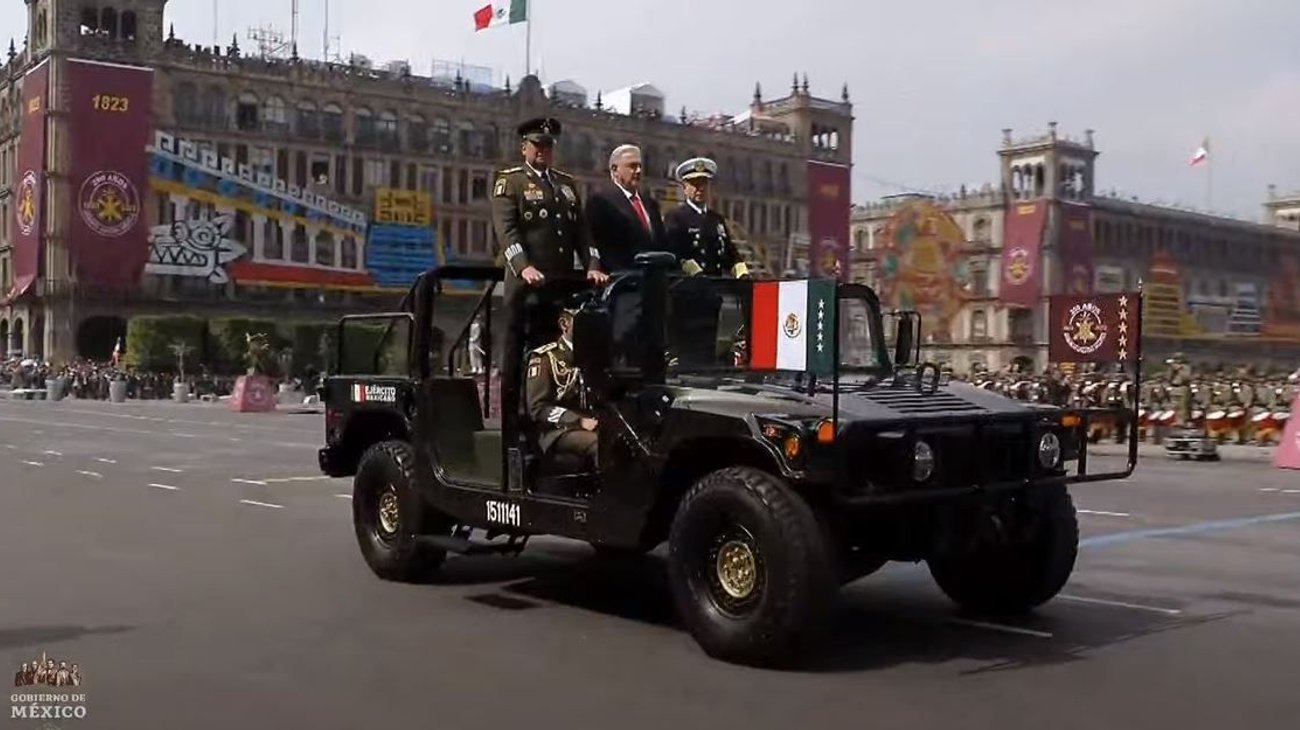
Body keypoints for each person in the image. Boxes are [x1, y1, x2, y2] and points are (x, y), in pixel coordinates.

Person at [490, 116, 608, 437]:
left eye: (548, 145)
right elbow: (508, 232)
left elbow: (583, 234)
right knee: (521, 355)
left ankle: (556, 417)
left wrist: (593, 266)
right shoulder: (510, 182)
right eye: (537, 145)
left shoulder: (566, 184)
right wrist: (523, 266)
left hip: (560, 287)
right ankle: (516, 424)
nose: (543, 150)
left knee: (559, 355)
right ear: (524, 147)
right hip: (526, 289)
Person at [525, 301, 598, 472]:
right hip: (557, 431)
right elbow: (538, 408)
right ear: (565, 324)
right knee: (600, 444)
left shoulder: (595, 355)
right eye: (584, 322)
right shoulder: (545, 358)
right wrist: (577, 420)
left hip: (594, 422)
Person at [663, 157, 749, 279]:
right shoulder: (675, 217)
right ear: (685, 188)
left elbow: (730, 252)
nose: (700, 188)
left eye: (704, 183)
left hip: (716, 285)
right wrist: (693, 271)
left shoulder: (717, 219)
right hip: (688, 286)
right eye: (695, 184)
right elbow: (674, 253)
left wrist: (741, 271)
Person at [585, 144, 667, 271]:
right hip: (621, 279)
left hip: (652, 281)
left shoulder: (650, 204)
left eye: (640, 166)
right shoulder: (601, 202)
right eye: (632, 166)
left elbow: (660, 243)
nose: (639, 171)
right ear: (614, 169)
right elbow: (595, 243)